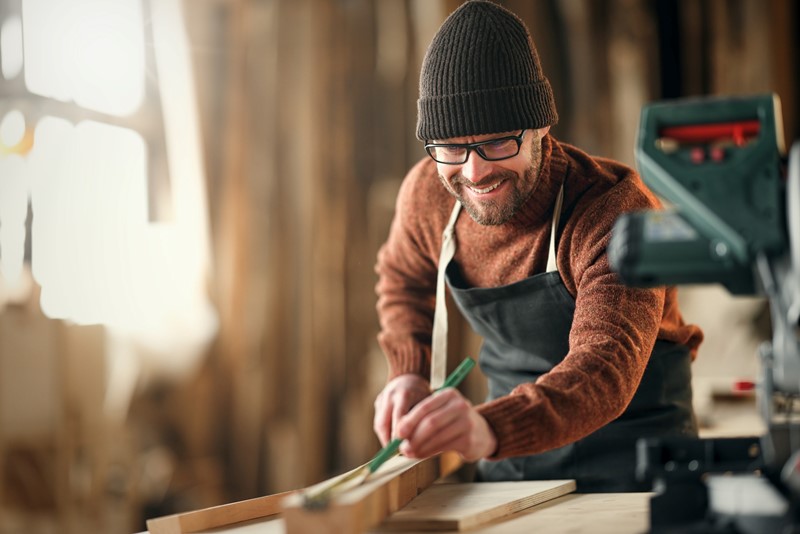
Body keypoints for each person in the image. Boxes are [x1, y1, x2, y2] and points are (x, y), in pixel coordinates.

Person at [372, 0, 704, 492]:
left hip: (637, 457)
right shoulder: (427, 195)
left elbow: (604, 365)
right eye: (452, 148)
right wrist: (408, 373)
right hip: (512, 461)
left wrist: (489, 427)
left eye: (499, 142)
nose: (474, 171)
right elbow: (402, 278)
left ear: (542, 127)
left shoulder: (614, 212)